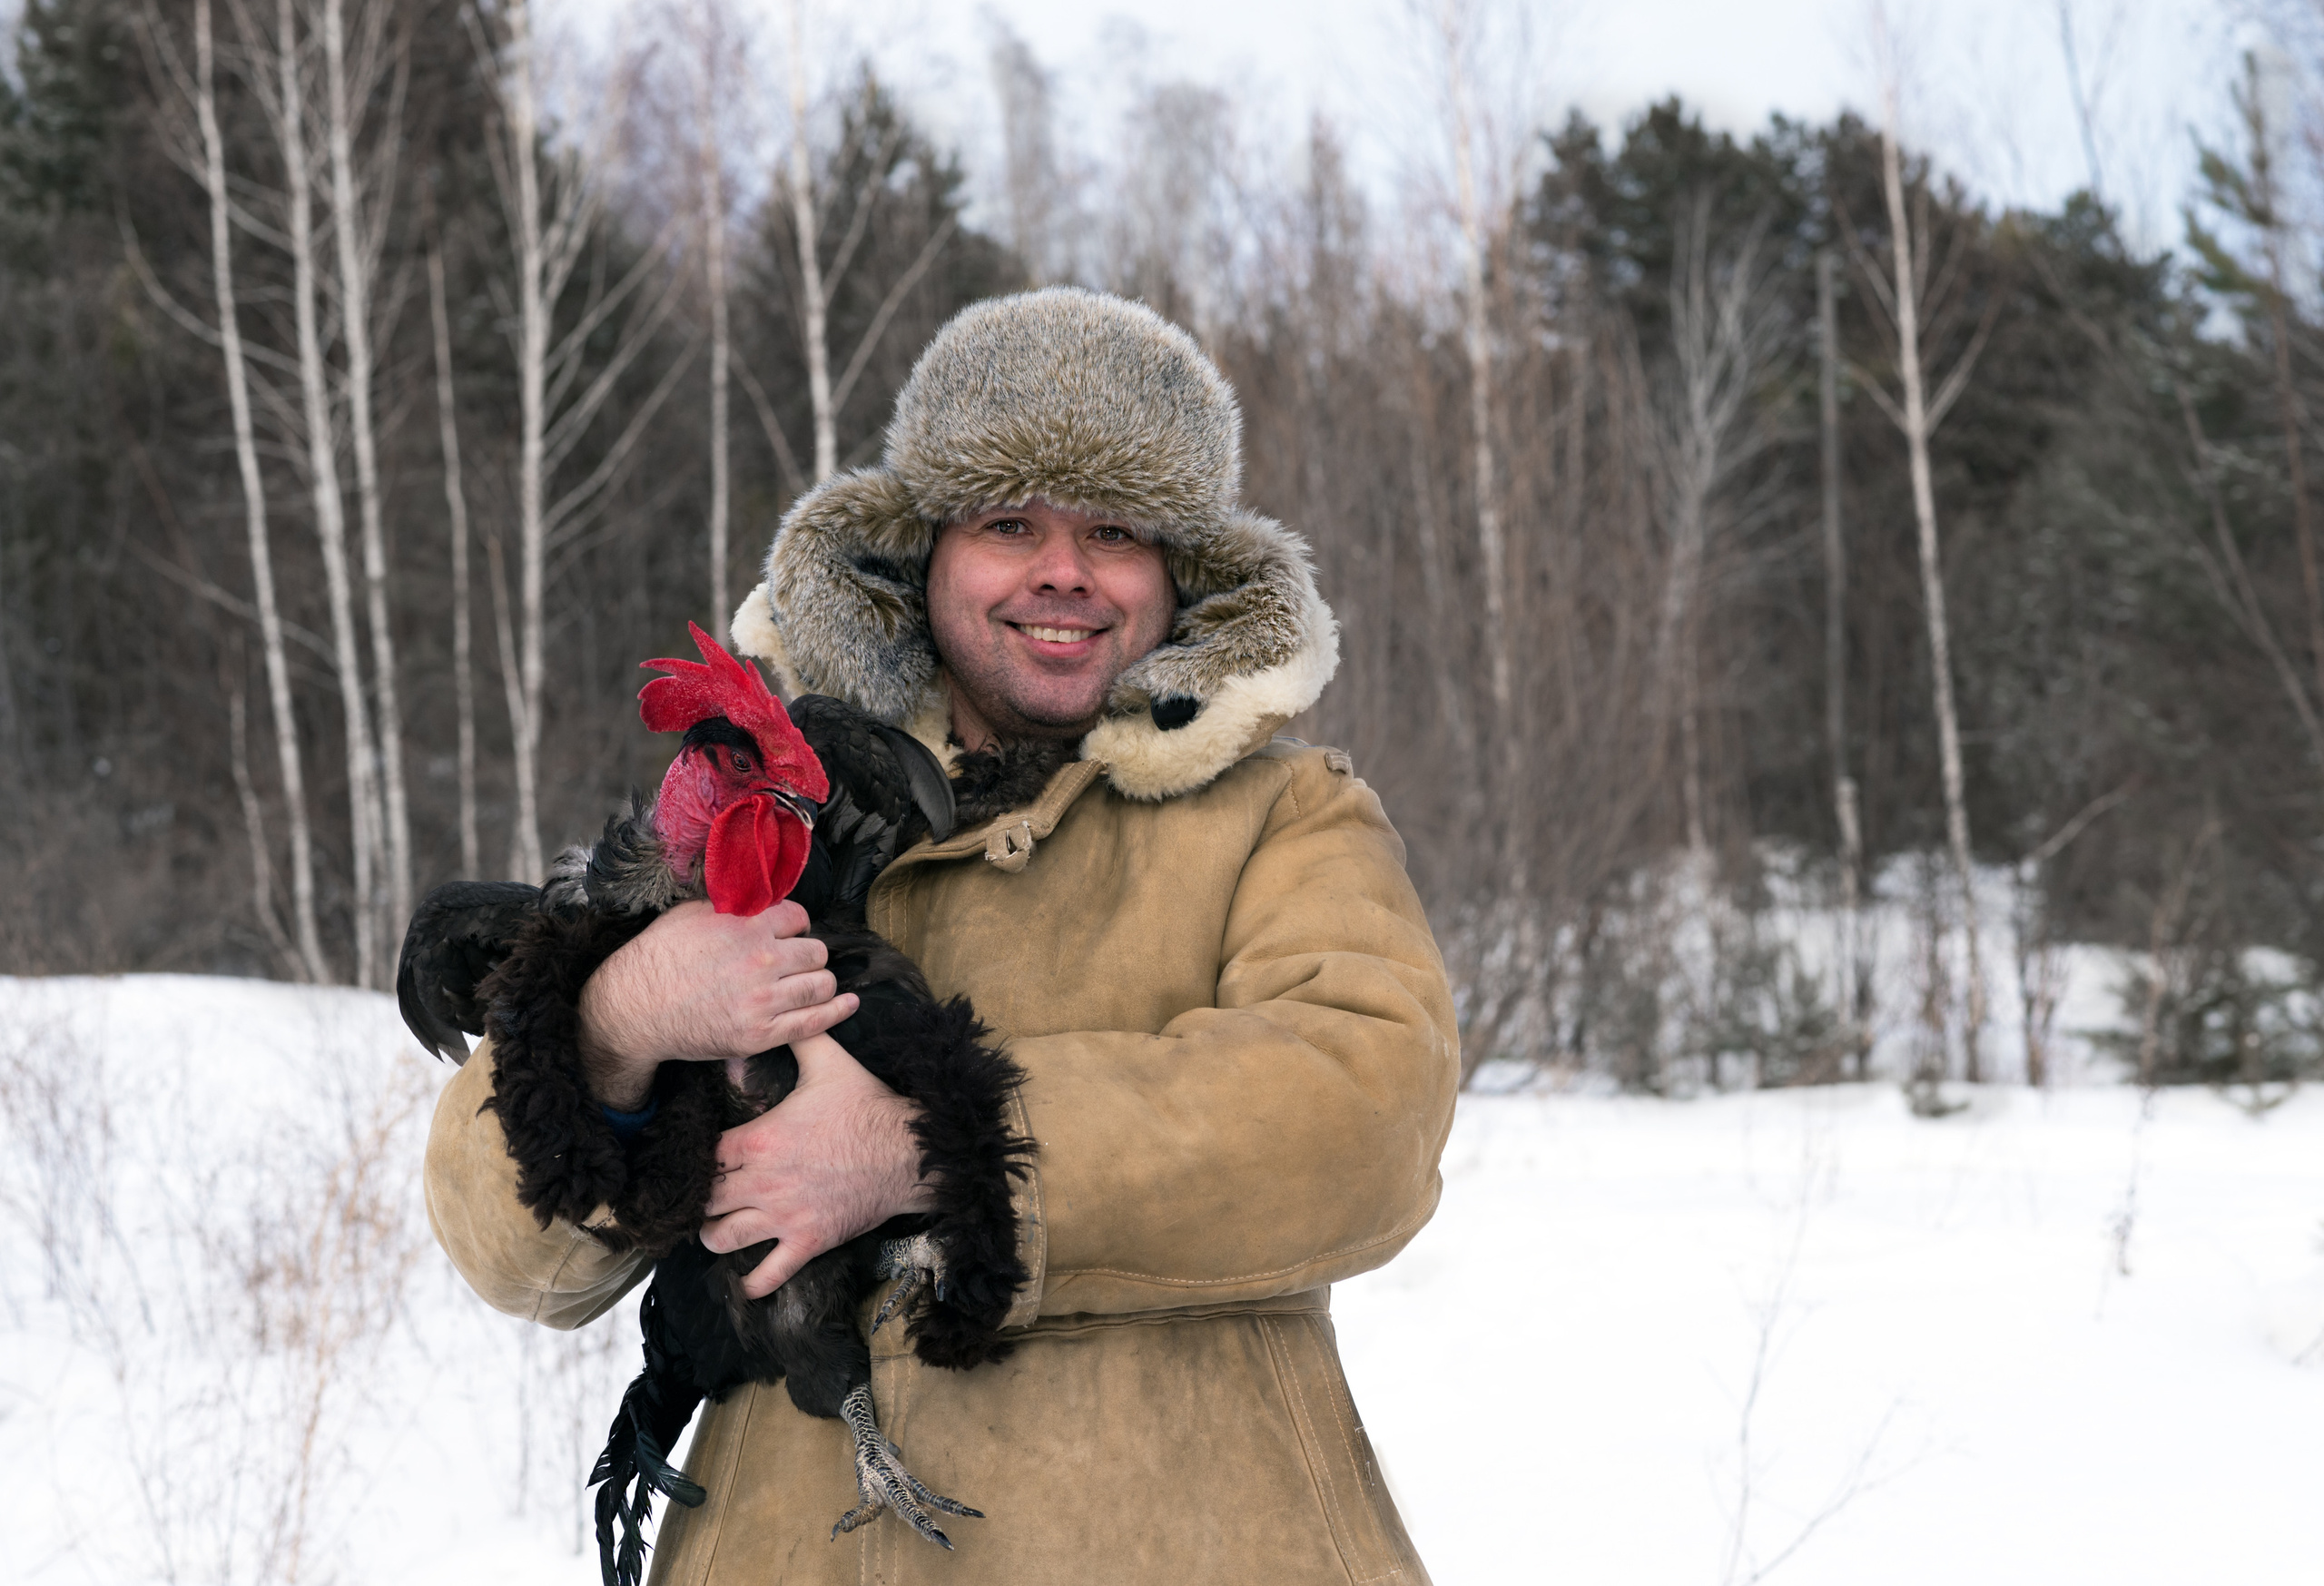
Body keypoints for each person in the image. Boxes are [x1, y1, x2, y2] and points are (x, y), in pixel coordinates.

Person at [423, 287, 1458, 1585]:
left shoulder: (1281, 815)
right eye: (1009, 522)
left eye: (1116, 531)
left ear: (1181, 574)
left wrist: (926, 1149)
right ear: (921, 555)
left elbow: (1366, 1111)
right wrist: (618, 1021)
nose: (1063, 572)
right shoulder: (765, 803)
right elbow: (506, 1251)